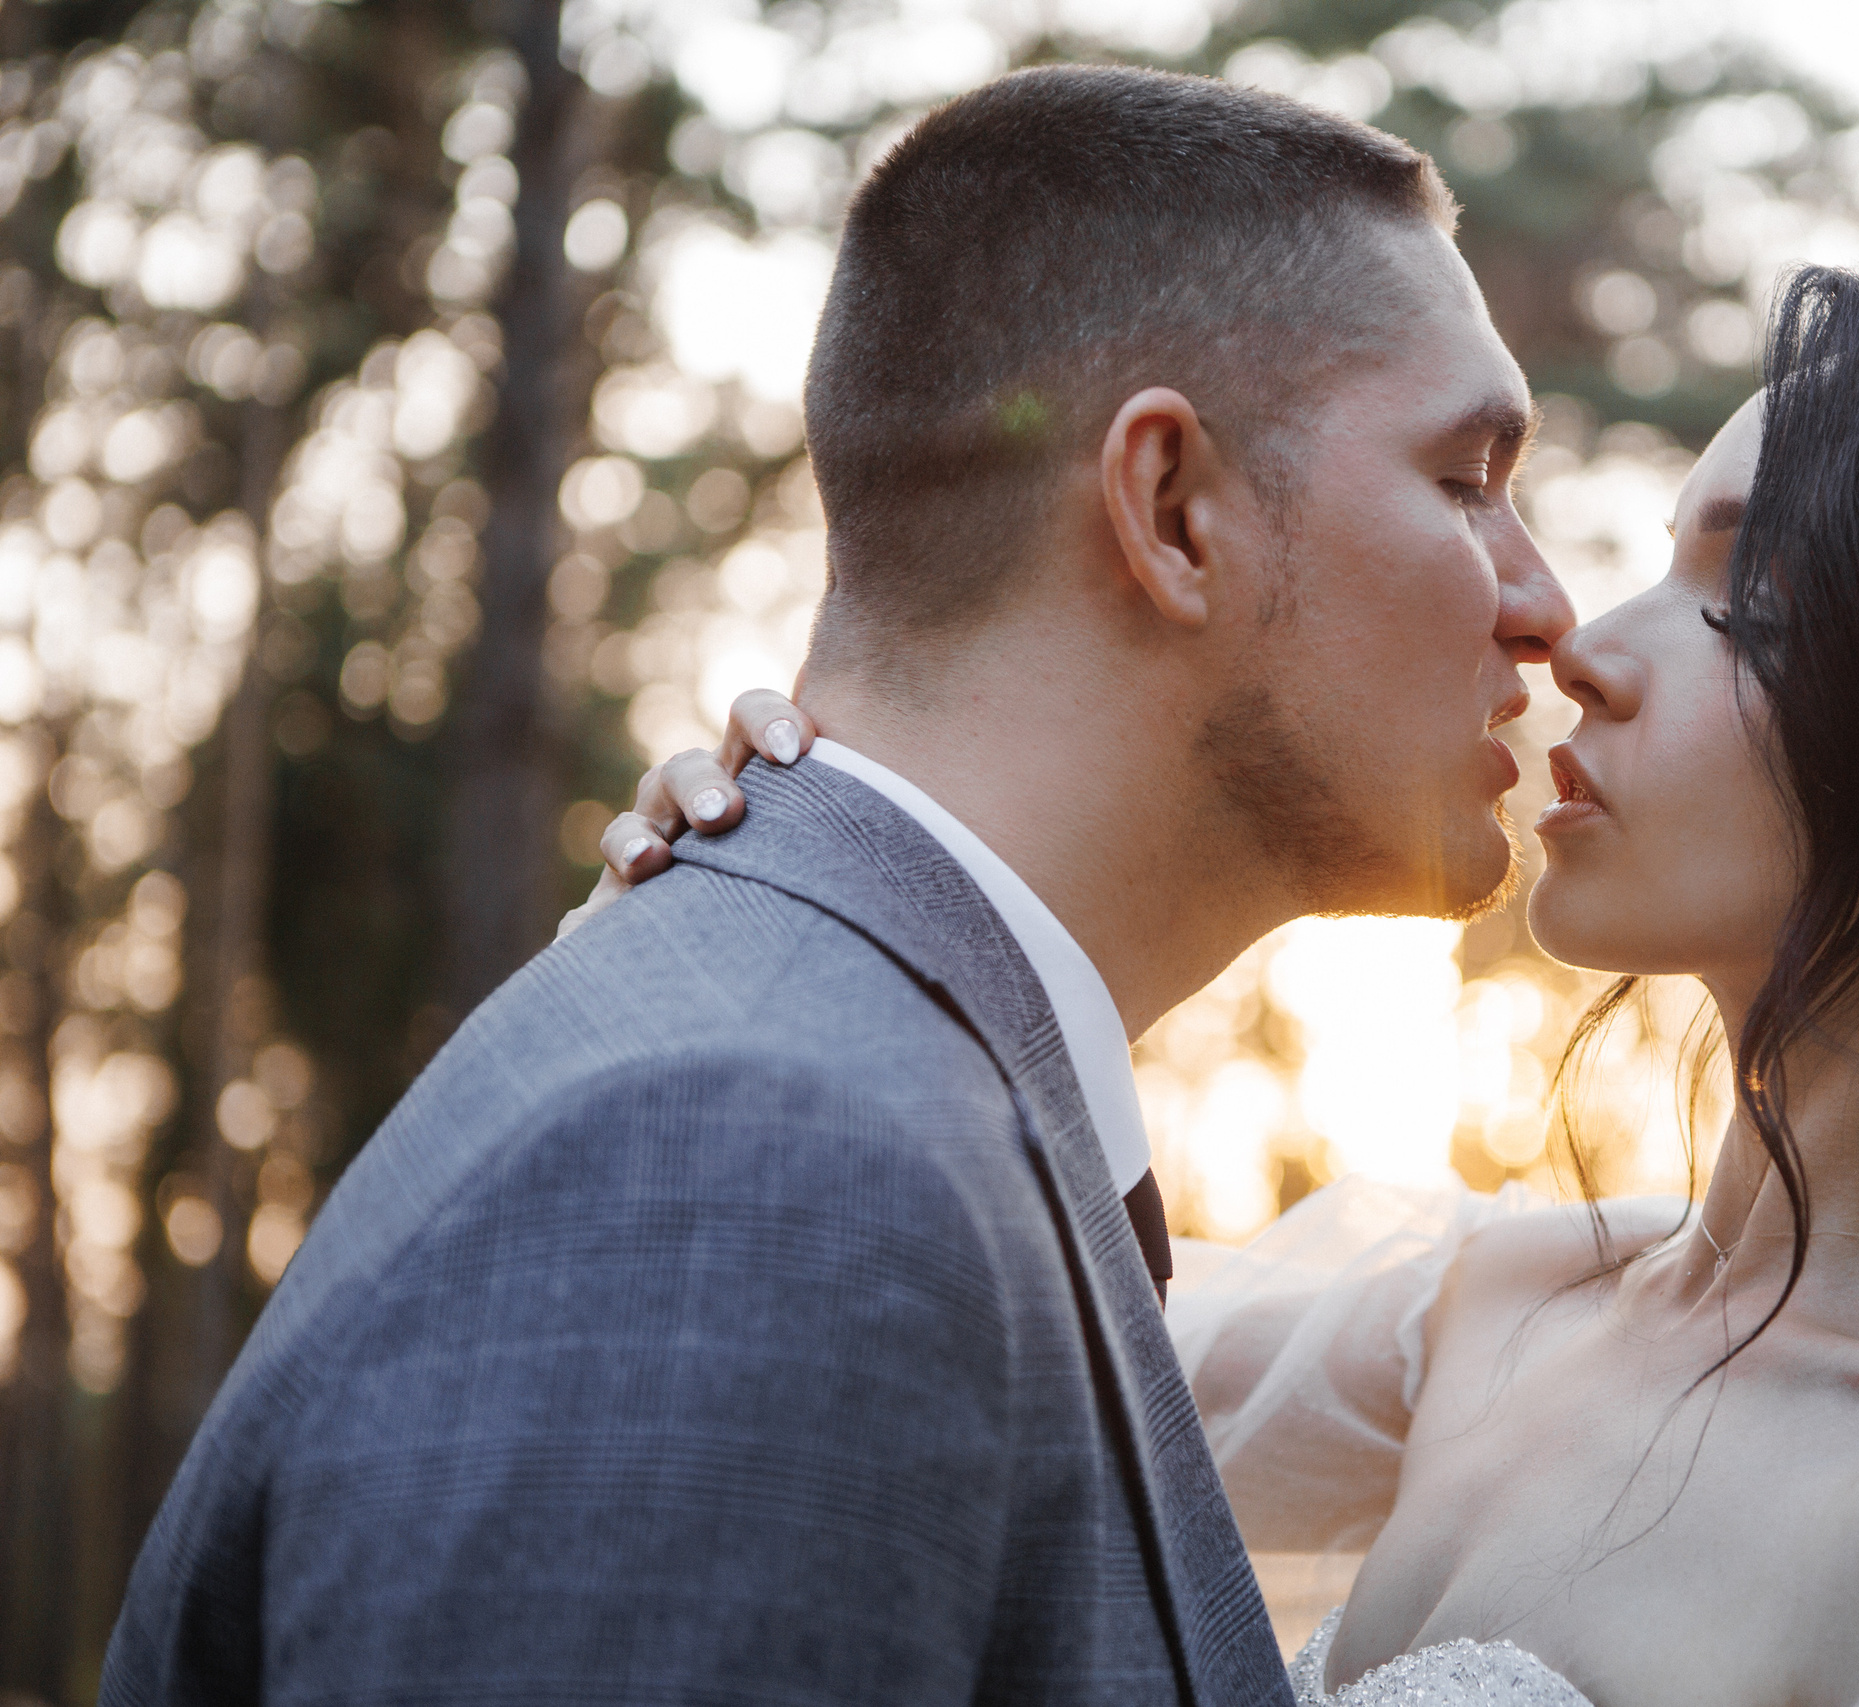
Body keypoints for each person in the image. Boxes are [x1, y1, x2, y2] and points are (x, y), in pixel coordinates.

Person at [633, 235, 1859, 1705]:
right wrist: (801, 882)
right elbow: (876, 1358)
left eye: (1757, 604)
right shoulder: (1498, 1298)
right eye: (1660, 560)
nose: (1585, 648)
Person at [103, 66, 1572, 1707]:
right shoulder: (759, 1166)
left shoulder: (842, 1079)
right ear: (1171, 509)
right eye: (1467, 480)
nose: (1546, 604)